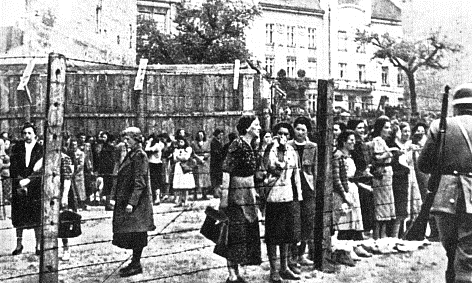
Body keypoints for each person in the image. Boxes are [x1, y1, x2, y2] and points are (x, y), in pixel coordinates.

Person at [418, 83, 472, 283]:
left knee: (450, 250)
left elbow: (423, 164)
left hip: (444, 197)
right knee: (467, 250)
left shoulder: (440, 126)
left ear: (455, 107)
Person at [218, 114, 262, 283]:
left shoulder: (252, 145)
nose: (258, 127)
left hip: (248, 193)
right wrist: (224, 198)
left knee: (244, 233)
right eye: (256, 125)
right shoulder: (237, 144)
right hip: (236, 194)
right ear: (247, 127)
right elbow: (227, 171)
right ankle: (232, 274)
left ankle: (237, 271)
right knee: (234, 234)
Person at [112, 127, 155, 277]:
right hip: (129, 200)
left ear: (136, 139)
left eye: (128, 139)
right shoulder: (132, 154)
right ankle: (135, 262)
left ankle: (136, 264)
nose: (125, 141)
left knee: (138, 233)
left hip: (137, 203)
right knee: (132, 232)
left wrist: (132, 202)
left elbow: (140, 182)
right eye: (124, 139)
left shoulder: (140, 156)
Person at [265, 122, 302, 282]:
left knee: (287, 234)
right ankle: (274, 270)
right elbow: (270, 167)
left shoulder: (292, 151)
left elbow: (296, 175)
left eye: (286, 134)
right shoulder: (270, 149)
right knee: (273, 235)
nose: (283, 137)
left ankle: (284, 267)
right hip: (273, 195)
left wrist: (298, 195)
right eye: (280, 133)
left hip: (288, 195)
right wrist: (275, 148)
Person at [332, 130, 367, 261]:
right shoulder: (338, 155)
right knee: (344, 221)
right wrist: (344, 194)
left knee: (354, 220)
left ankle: (352, 247)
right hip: (344, 190)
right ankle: (343, 251)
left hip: (352, 187)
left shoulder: (350, 155)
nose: (353, 142)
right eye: (350, 140)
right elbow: (337, 178)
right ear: (343, 141)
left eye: (354, 140)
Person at [10, 122, 44, 255]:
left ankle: (38, 245)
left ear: (35, 134)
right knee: (19, 218)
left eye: (29, 133)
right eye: (24, 133)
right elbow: (13, 166)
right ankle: (19, 245)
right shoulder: (17, 148)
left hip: (34, 187)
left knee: (36, 217)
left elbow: (41, 168)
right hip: (19, 187)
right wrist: (20, 181)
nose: (27, 136)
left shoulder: (40, 149)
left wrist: (29, 180)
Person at [288, 116, 317, 267]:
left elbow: (316, 169)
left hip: (307, 186)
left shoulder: (313, 147)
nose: (300, 132)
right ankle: (292, 255)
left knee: (307, 220)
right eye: (297, 129)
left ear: (307, 131)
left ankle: (301, 254)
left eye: (303, 130)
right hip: (291, 185)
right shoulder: (288, 145)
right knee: (294, 221)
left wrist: (315, 188)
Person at [370, 116, 396, 240]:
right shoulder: (377, 140)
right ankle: (378, 235)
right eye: (386, 127)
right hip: (381, 174)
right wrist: (390, 153)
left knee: (385, 204)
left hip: (386, 174)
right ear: (380, 128)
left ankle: (382, 234)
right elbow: (376, 157)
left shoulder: (383, 141)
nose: (389, 130)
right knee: (381, 205)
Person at [172, 135, 196, 207]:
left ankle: (186, 200)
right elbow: (174, 159)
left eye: (181, 142)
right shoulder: (176, 150)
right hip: (178, 167)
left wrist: (179, 157)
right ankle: (179, 200)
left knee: (185, 185)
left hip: (185, 167)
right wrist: (179, 157)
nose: (180, 143)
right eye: (179, 142)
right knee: (179, 185)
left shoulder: (188, 149)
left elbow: (186, 157)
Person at [145, 133, 165, 205]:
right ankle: (154, 198)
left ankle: (157, 198)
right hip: (152, 164)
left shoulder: (156, 145)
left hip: (155, 164)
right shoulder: (155, 145)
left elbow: (147, 150)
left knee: (156, 181)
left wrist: (148, 143)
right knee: (152, 182)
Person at [192, 130, 211, 200]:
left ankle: (204, 194)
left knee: (205, 178)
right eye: (199, 135)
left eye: (202, 135)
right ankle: (195, 194)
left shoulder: (207, 143)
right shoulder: (193, 143)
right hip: (197, 162)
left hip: (205, 162)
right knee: (196, 178)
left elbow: (209, 152)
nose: (200, 136)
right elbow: (193, 152)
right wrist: (198, 158)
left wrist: (204, 157)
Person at [210, 129, 225, 198]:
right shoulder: (213, 142)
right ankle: (216, 192)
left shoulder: (219, 142)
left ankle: (218, 192)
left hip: (219, 162)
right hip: (215, 162)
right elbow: (215, 152)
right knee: (215, 177)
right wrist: (221, 154)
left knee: (219, 177)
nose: (221, 136)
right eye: (220, 134)